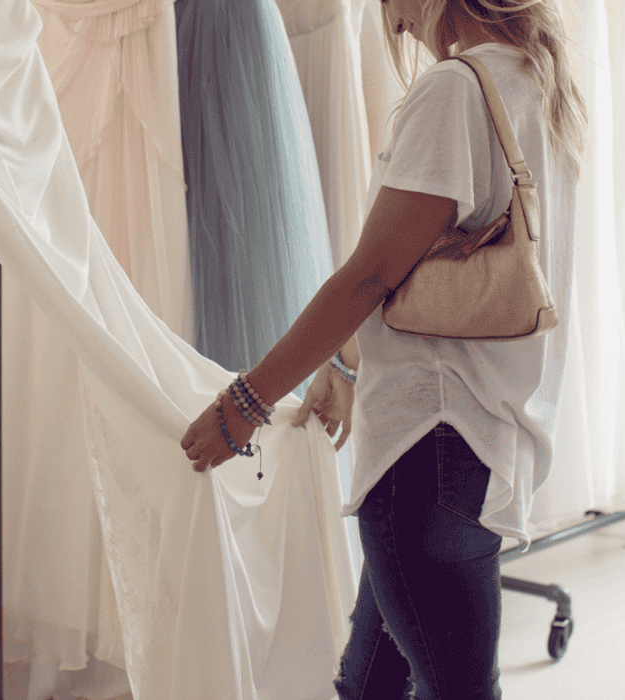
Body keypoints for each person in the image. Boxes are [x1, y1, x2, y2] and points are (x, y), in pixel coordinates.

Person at [179, 0, 587, 697]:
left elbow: (371, 275)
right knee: (369, 684)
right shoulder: (540, 81)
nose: (391, 21)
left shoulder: (454, 89)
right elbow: (432, 267)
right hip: (479, 440)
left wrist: (245, 401)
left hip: (427, 449)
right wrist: (344, 365)